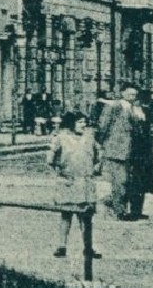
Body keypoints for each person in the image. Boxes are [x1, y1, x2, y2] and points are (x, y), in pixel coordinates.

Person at [48, 110, 103, 260]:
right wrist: (60, 174)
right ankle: (61, 246)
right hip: (68, 182)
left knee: (86, 217)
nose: (83, 125)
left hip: (85, 182)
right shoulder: (60, 138)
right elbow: (50, 159)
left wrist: (96, 168)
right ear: (71, 123)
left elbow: (98, 156)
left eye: (84, 122)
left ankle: (88, 246)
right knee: (66, 215)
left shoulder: (90, 138)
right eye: (80, 122)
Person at [95, 84, 138, 220]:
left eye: (134, 95)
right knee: (120, 181)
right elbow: (103, 125)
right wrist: (102, 144)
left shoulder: (133, 108)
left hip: (129, 151)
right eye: (130, 94)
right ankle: (119, 210)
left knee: (126, 182)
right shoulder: (113, 106)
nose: (132, 97)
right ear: (123, 93)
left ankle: (116, 205)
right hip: (116, 150)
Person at [127, 90, 153, 220]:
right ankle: (132, 211)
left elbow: (151, 127)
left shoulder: (147, 111)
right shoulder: (128, 112)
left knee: (144, 182)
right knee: (133, 181)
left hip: (145, 152)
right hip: (132, 151)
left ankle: (139, 210)